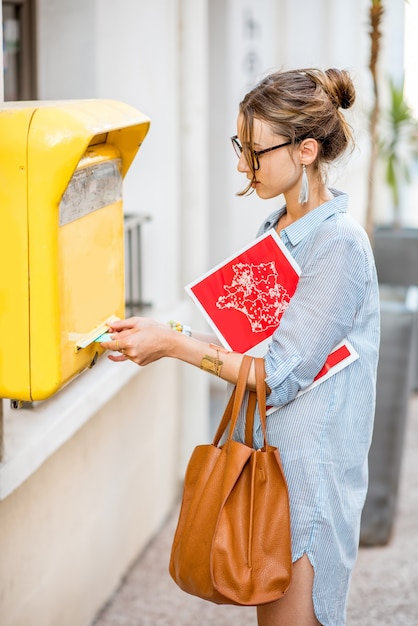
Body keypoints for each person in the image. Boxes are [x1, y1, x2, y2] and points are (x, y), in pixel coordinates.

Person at [101, 68, 380, 626]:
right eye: (240, 147)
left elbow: (272, 374)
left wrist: (174, 348)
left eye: (254, 151)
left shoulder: (338, 245)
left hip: (307, 477)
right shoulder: (274, 230)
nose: (241, 165)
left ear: (305, 150)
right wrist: (166, 336)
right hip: (270, 466)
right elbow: (244, 349)